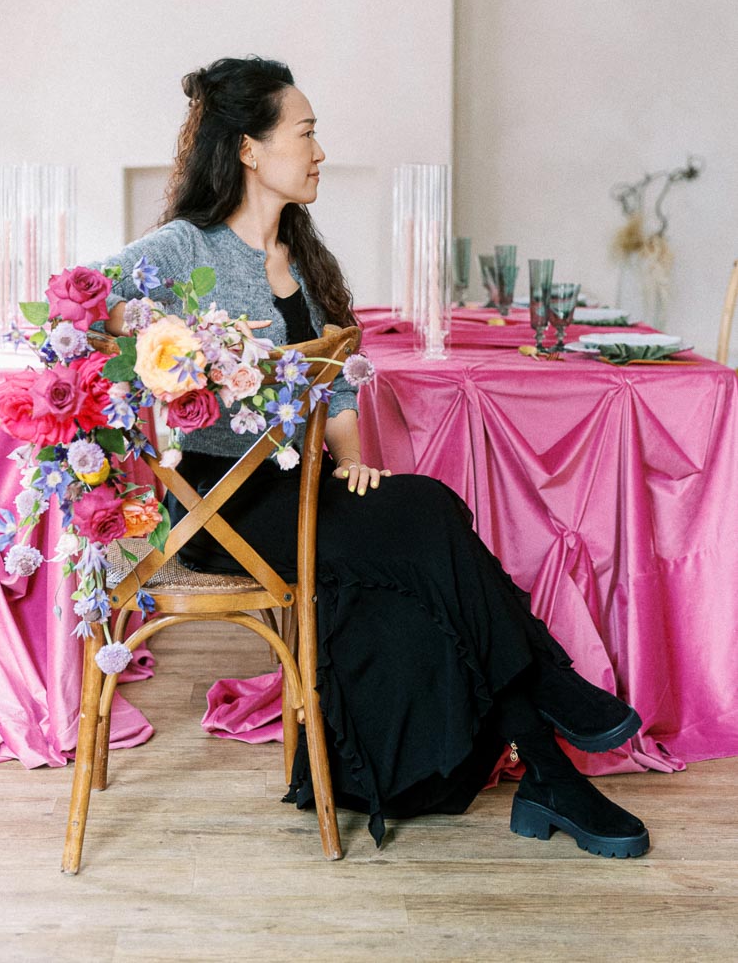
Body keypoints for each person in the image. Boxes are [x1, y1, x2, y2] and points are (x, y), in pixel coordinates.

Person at [96, 56, 650, 858]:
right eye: (307, 131)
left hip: (300, 484)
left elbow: (340, 386)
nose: (320, 150)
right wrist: (170, 337)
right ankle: (551, 700)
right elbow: (78, 296)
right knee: (431, 512)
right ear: (251, 149)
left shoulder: (300, 255)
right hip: (222, 503)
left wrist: (352, 457)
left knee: (424, 528)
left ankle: (549, 774)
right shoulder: (187, 248)